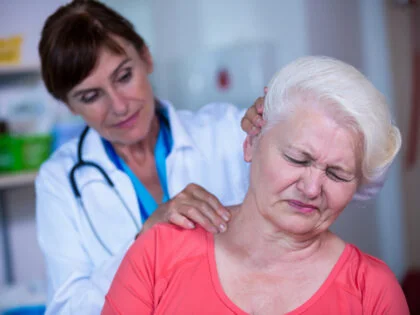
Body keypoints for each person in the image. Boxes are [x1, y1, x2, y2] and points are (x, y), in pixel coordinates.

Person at [103, 56, 410, 315]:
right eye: (298, 159)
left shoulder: (373, 291)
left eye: (337, 174)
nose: (312, 188)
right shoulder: (158, 253)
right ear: (250, 144)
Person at [35, 0, 264, 314]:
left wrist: (285, 125)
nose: (118, 105)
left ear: (146, 58)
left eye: (124, 76)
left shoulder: (225, 131)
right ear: (70, 105)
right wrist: (146, 238)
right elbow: (67, 308)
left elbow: (352, 180)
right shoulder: (59, 180)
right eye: (90, 96)